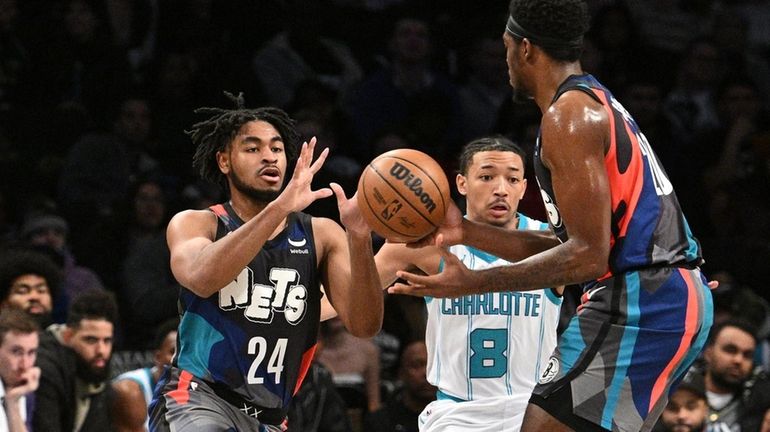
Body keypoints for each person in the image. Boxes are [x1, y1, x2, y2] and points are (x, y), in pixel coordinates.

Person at [388, 1, 715, 431]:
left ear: (524, 48)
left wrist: (475, 282)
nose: (505, 61)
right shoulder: (590, 99)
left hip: (641, 300)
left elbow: (587, 257)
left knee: (541, 425)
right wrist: (464, 231)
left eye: (505, 47)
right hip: (654, 293)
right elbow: (578, 245)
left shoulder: (569, 117)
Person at [148, 92, 384, 431]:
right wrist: (280, 208)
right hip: (198, 399)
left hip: (271, 419)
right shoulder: (197, 223)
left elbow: (364, 325)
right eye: (253, 148)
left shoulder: (323, 235)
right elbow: (201, 277)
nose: (269, 157)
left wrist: (359, 237)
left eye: (276, 148)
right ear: (224, 161)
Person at [374, 135, 561, 431]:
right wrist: (357, 237)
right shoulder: (428, 243)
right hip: (457, 414)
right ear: (461, 183)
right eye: (486, 177)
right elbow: (341, 300)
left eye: (513, 180)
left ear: (524, 188)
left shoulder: (551, 245)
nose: (501, 189)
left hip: (532, 413)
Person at [33, 289, 118, 432]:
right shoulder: (45, 366)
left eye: (107, 341)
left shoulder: (95, 367)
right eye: (91, 340)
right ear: (68, 336)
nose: (101, 350)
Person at [683, 319, 770, 431]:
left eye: (747, 355)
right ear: (708, 353)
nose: (738, 360)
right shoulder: (678, 390)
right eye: (730, 350)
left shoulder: (761, 404)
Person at [111, 318, 177, 432]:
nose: (179, 358)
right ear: (157, 357)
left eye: (186, 352)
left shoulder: (198, 387)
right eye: (173, 351)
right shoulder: (130, 390)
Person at [363, 340, 436, 432]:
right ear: (401, 373)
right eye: (417, 365)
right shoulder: (381, 420)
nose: (426, 373)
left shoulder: (454, 415)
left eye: (433, 366)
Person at [0, 246, 61, 328]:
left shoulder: (61, 338)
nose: (34, 297)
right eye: (23, 291)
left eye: (41, 291)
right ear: (3, 303)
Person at [0, 309, 40, 432]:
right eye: (17, 352)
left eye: (31, 353)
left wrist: (13, 404)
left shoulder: (25, 391)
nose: (25, 364)